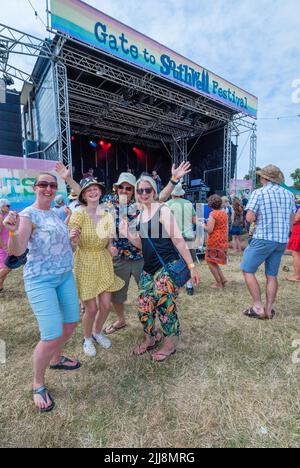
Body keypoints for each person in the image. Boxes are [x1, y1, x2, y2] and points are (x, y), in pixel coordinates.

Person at [4, 172, 81, 414]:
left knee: (70, 323)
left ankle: (57, 359)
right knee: (50, 334)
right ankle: (38, 383)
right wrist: (13, 232)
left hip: (65, 275)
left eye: (52, 185)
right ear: (35, 188)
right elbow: (17, 250)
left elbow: (61, 245)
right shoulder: (28, 215)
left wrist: (71, 240)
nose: (48, 188)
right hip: (41, 280)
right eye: (43, 185)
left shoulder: (55, 213)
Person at [120, 176, 200, 362]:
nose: (144, 193)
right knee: (144, 306)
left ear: (154, 192)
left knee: (165, 305)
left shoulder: (163, 210)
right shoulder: (140, 216)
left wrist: (191, 266)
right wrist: (128, 235)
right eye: (140, 191)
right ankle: (152, 338)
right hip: (149, 269)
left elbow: (178, 240)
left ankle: (170, 344)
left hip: (167, 265)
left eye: (148, 190)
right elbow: (142, 245)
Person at [68, 177, 125, 357]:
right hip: (85, 261)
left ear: (100, 192)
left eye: (95, 189)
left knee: (106, 306)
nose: (93, 192)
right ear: (83, 195)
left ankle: (97, 332)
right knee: (91, 308)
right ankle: (87, 338)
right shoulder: (78, 213)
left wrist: (112, 249)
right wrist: (73, 239)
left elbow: (108, 243)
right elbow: (72, 246)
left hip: (103, 261)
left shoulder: (107, 214)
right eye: (88, 190)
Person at [241, 165, 296, 320]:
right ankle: (269, 309)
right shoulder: (289, 194)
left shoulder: (259, 192)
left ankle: (258, 307)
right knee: (272, 275)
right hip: (281, 240)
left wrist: (258, 216)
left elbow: (249, 218)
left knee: (247, 269)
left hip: (263, 237)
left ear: (264, 178)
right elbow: (291, 221)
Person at [167, 183, 197, 295]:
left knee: (175, 262)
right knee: (189, 262)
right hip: (189, 236)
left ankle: (175, 285)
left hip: (174, 237)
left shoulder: (167, 205)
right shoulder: (189, 203)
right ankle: (189, 286)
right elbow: (195, 220)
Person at [202, 195, 229, 289]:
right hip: (223, 239)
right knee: (214, 261)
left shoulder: (213, 214)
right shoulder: (224, 213)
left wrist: (202, 224)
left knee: (209, 261)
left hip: (214, 240)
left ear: (210, 204)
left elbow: (209, 230)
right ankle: (223, 279)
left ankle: (219, 284)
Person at [286, 199, 300, 282]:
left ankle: (297, 276)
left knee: (296, 254)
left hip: (298, 232)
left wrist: (292, 220)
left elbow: (296, 219)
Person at [0, 199, 12, 292]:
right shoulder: (0, 217)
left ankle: (0, 286)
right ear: (2, 206)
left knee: (4, 267)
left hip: (6, 245)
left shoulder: (4, 217)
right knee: (7, 267)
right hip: (3, 247)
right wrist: (3, 246)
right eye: (7, 206)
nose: (9, 207)